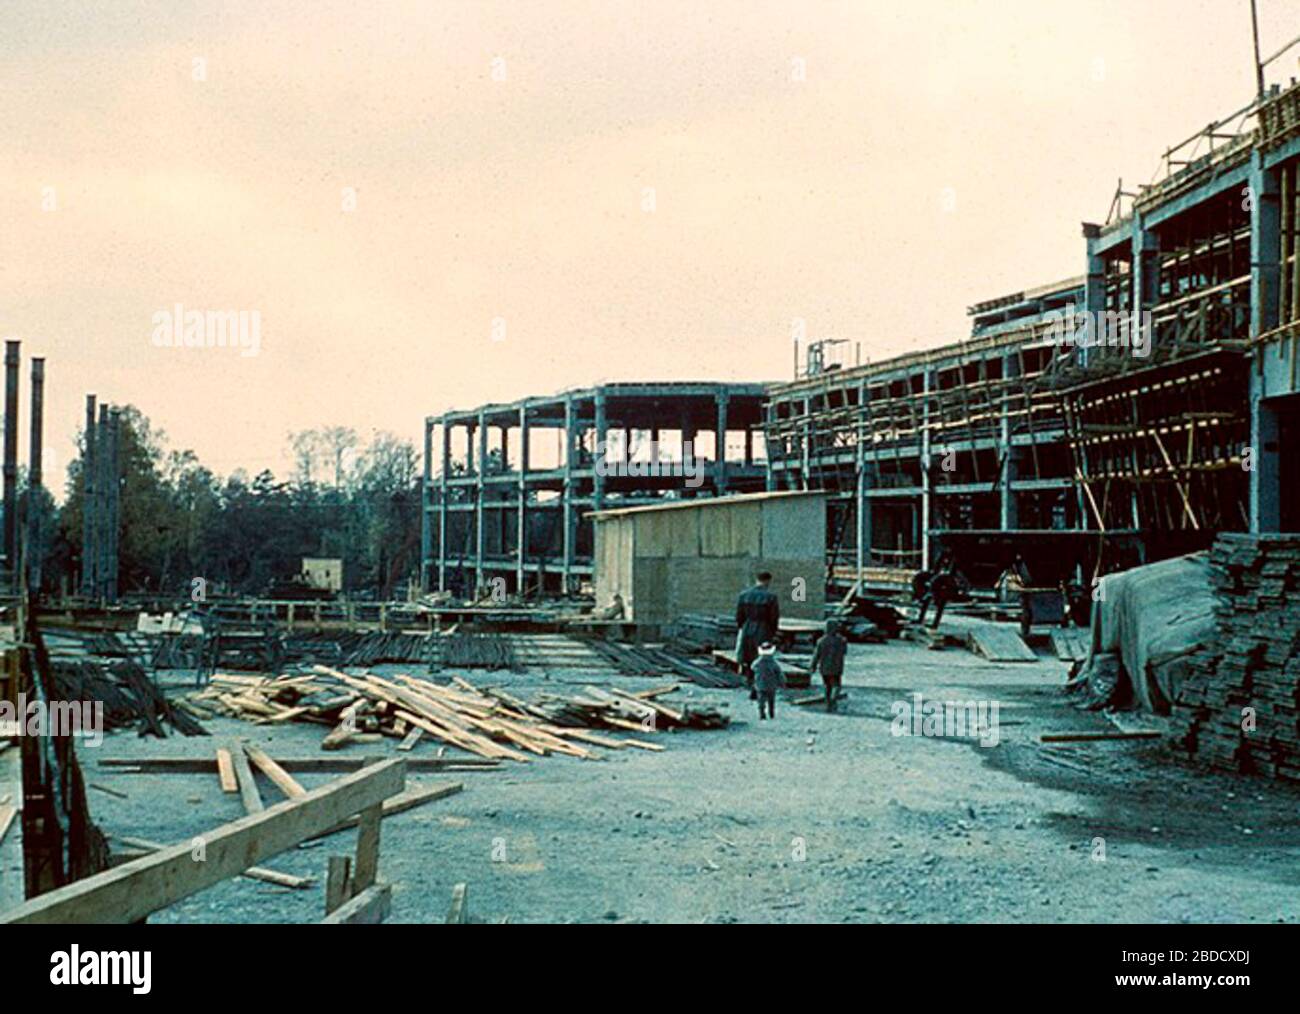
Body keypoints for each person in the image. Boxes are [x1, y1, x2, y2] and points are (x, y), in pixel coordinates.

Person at [735, 571, 780, 699]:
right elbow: (774, 618)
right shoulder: (771, 597)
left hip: (748, 629)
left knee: (748, 659)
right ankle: (758, 687)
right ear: (767, 581)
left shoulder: (744, 595)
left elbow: (739, 617)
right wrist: (773, 633)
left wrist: (743, 628)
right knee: (763, 659)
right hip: (763, 630)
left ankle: (750, 683)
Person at [810, 619, 848, 712]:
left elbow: (816, 655)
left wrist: (813, 666)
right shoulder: (842, 640)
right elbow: (844, 652)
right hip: (837, 667)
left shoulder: (821, 641)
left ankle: (828, 703)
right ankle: (833, 700)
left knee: (827, 686)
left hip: (824, 667)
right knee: (837, 685)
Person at [752, 642, 785, 720]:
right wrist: (782, 682)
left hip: (760, 684)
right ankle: (771, 713)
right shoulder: (773, 663)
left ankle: (762, 714)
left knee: (761, 701)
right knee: (771, 701)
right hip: (771, 685)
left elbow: (752, 667)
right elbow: (779, 673)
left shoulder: (758, 662)